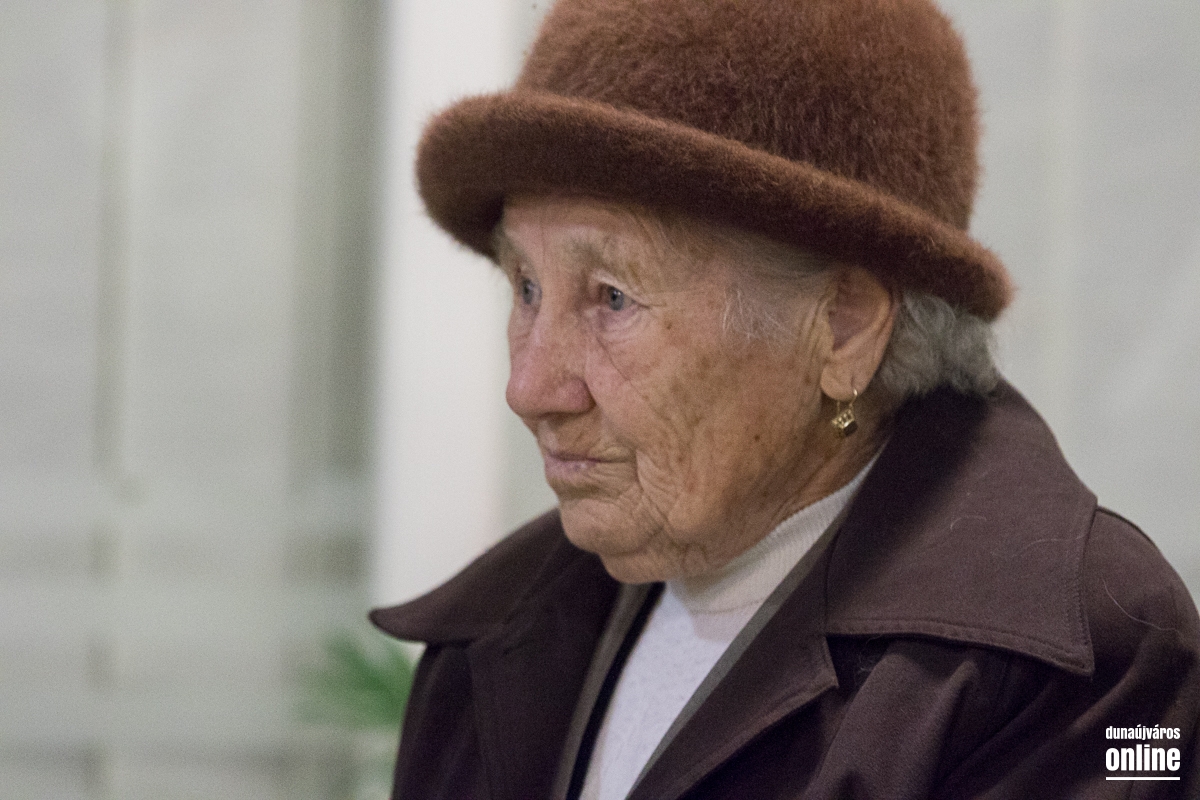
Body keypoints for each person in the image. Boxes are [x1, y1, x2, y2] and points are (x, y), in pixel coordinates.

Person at [370, 0, 1200, 797]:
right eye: (525, 286)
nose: (529, 388)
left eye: (612, 297)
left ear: (843, 329)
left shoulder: (1081, 667)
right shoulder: (497, 633)